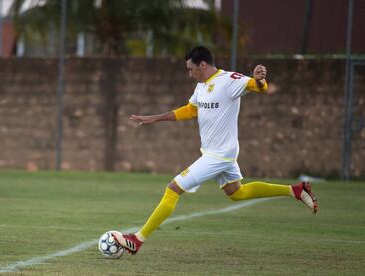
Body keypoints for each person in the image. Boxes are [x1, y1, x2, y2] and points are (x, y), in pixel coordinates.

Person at [112, 46, 318, 254]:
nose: (189, 73)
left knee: (173, 188)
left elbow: (258, 87)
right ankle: (295, 190)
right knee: (237, 192)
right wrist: (156, 118)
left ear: (202, 65)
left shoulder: (230, 80)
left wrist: (260, 80)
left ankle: (137, 240)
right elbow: (191, 110)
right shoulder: (201, 86)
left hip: (219, 155)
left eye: (191, 69)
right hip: (215, 153)